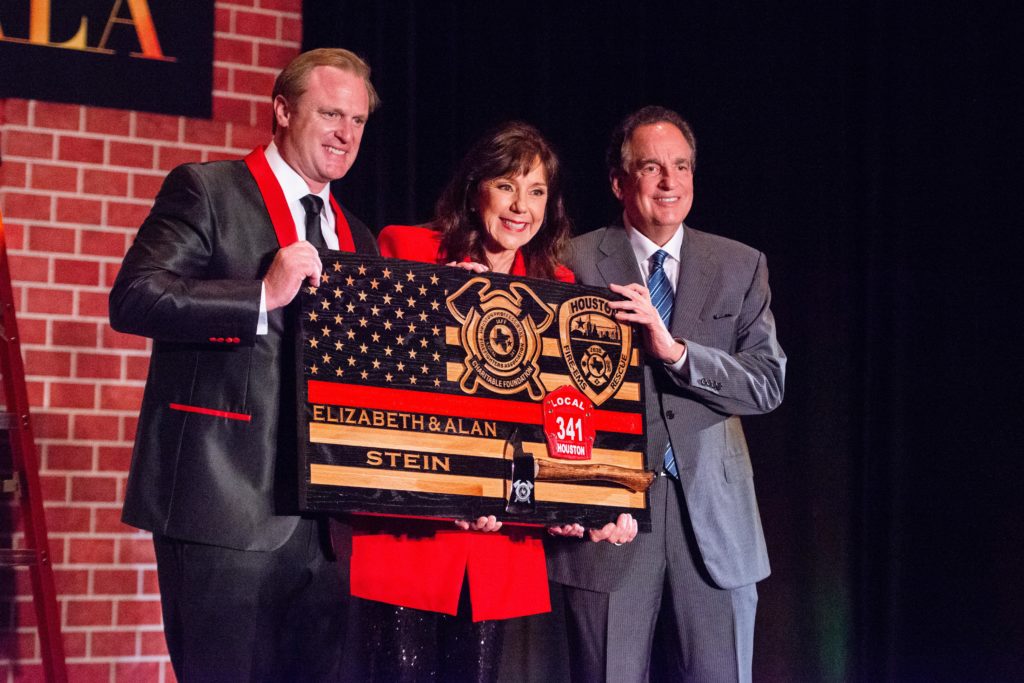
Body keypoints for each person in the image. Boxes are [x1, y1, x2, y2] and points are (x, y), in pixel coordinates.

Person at [109, 48, 380, 682]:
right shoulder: (208, 190)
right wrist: (260, 295)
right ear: (282, 111)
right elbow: (134, 297)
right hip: (220, 505)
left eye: (359, 120)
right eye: (331, 114)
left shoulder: (357, 234)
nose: (346, 134)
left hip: (326, 526)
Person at [352, 121, 635, 682]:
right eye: (506, 186)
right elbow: (375, 384)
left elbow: (564, 421)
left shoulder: (558, 287)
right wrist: (437, 304)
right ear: (474, 188)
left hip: (500, 543)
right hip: (413, 535)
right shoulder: (409, 249)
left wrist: (592, 503)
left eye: (536, 191)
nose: (520, 207)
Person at [545, 106, 786, 683]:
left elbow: (766, 383)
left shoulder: (739, 265)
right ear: (618, 182)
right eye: (651, 167)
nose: (669, 182)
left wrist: (677, 354)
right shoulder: (572, 260)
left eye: (681, 167)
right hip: (610, 519)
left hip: (716, 523)